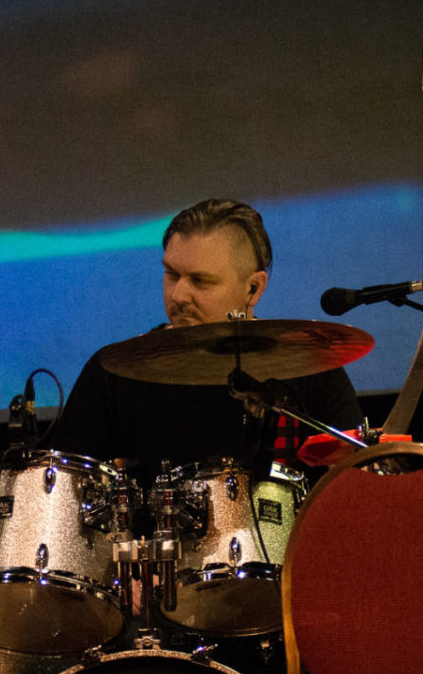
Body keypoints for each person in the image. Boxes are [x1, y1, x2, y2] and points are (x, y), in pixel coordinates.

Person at [44, 198, 362, 484]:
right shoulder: (113, 372)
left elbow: (354, 481)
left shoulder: (311, 366)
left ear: (253, 288)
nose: (179, 295)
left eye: (201, 281)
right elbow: (62, 496)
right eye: (171, 275)